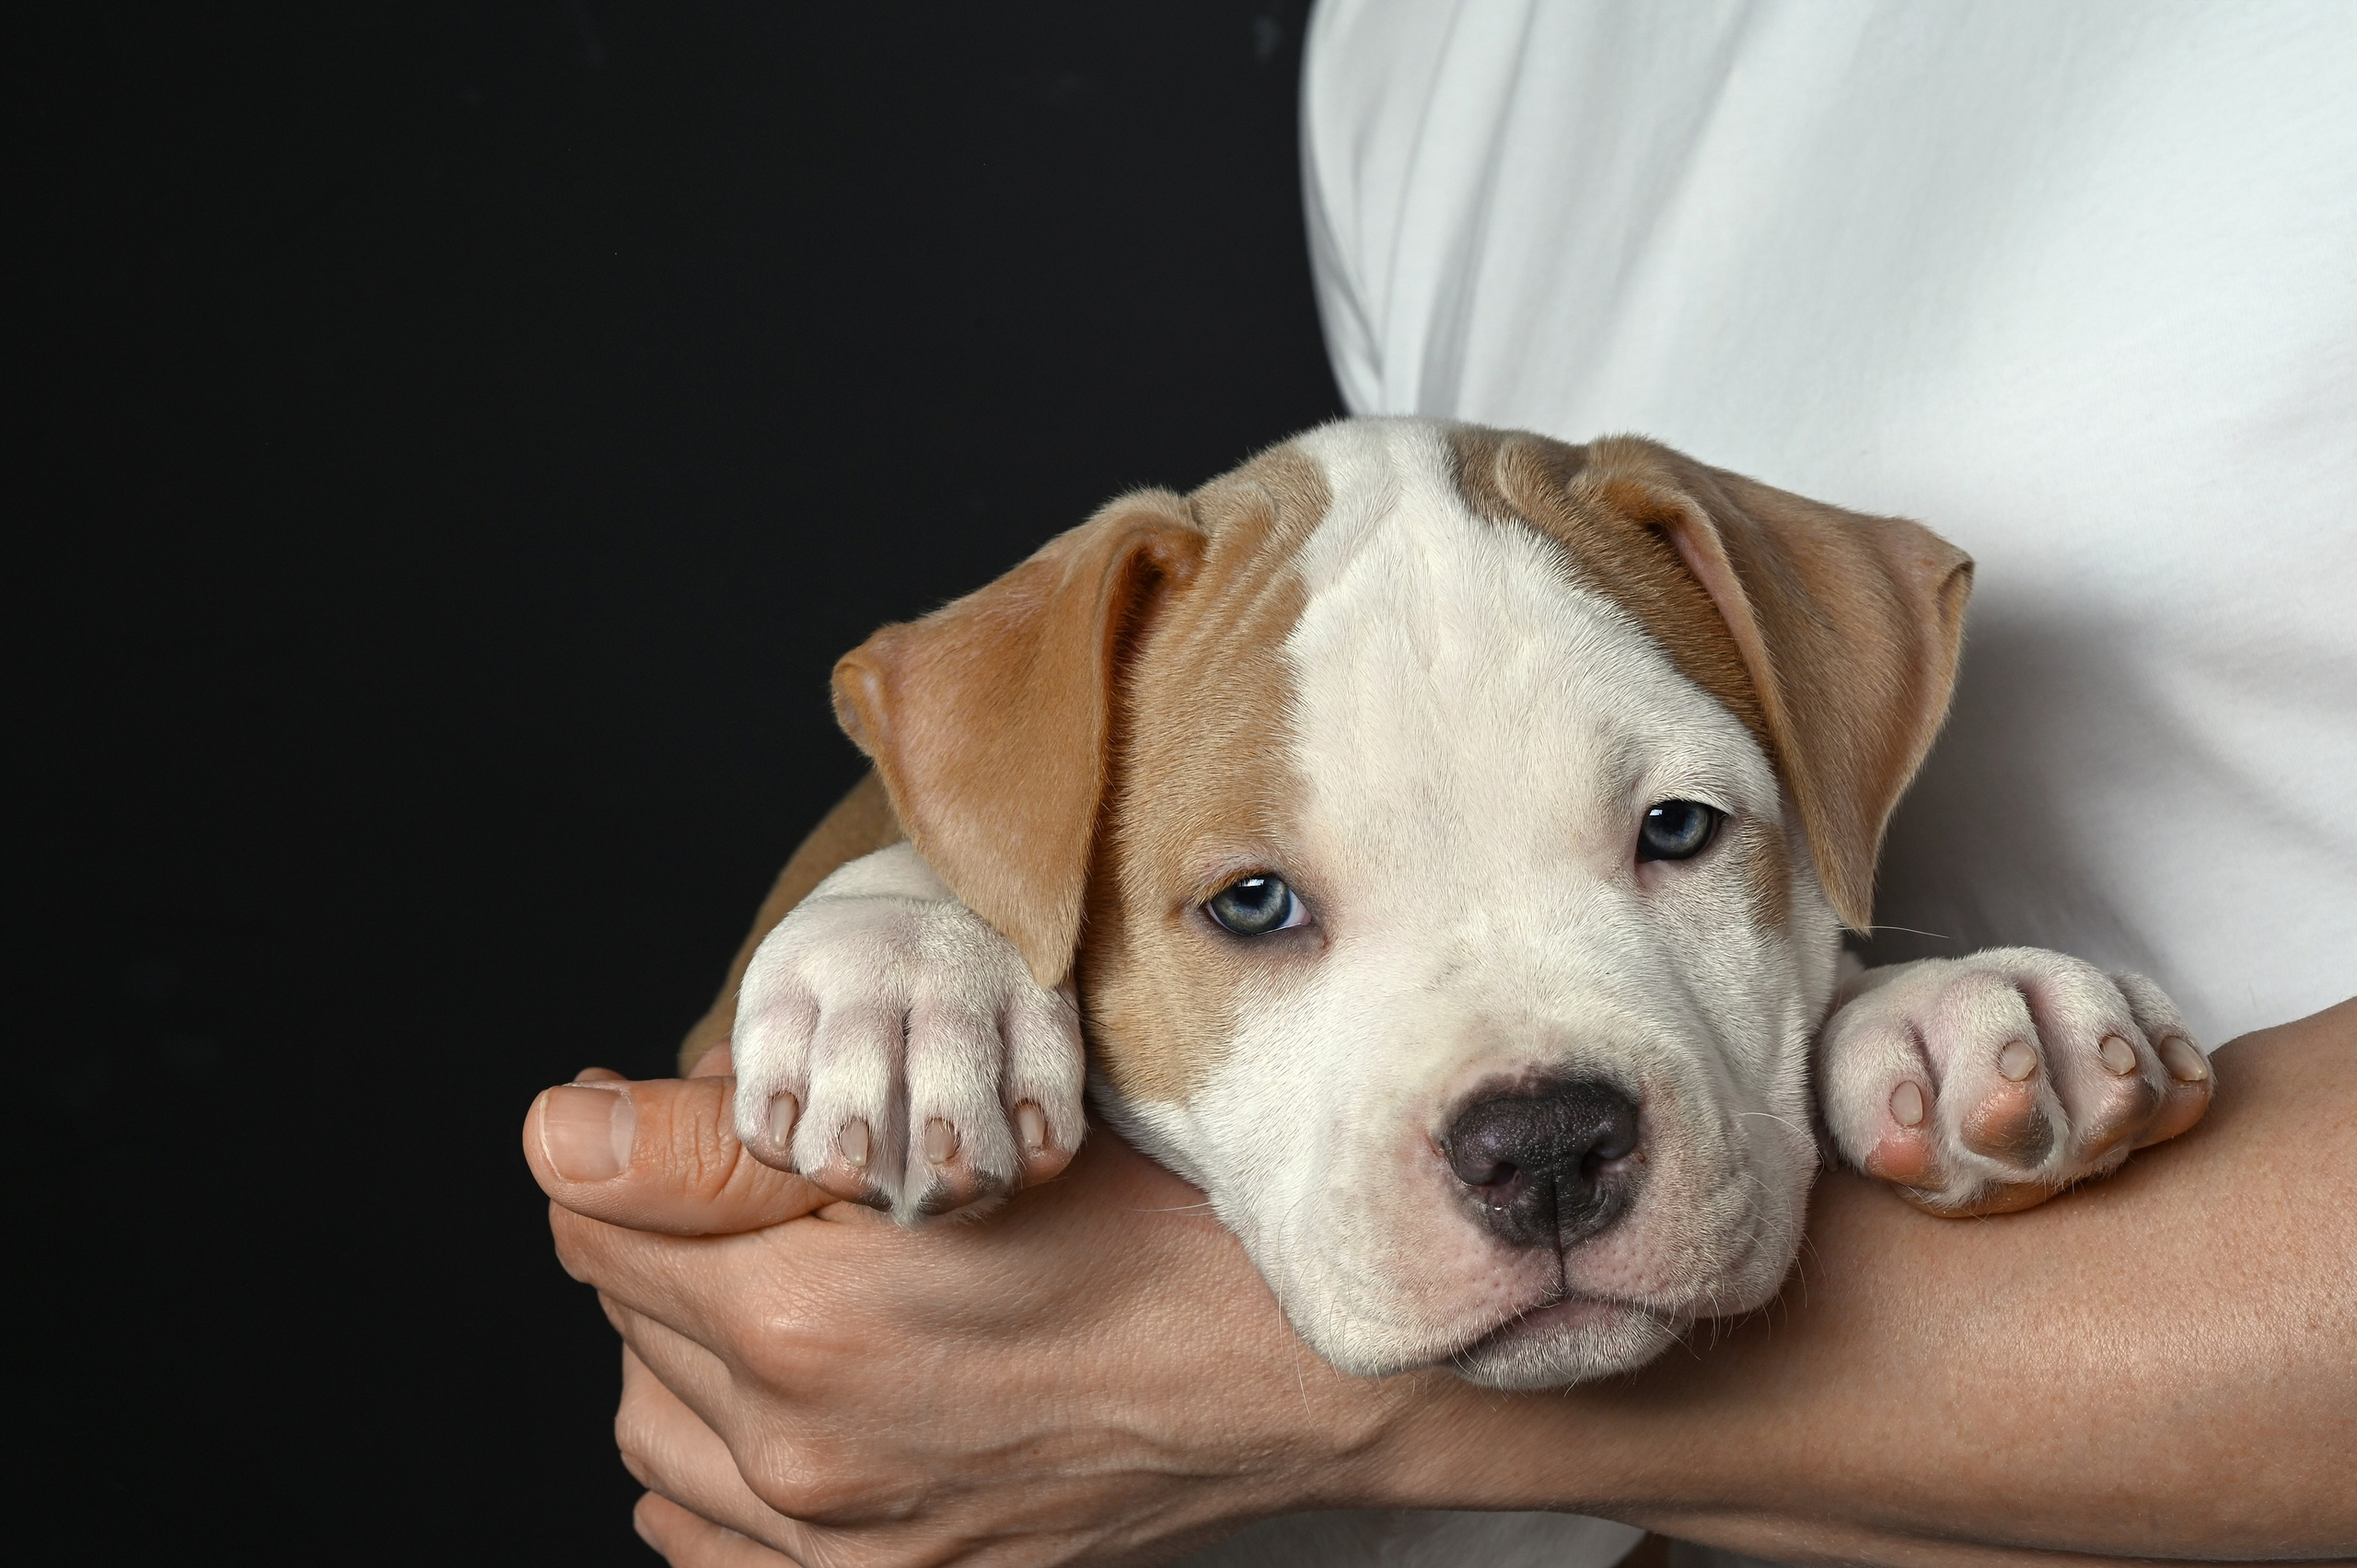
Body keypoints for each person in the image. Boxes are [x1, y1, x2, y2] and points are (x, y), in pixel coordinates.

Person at [530, 4, 2357, 1562]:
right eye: (1263, 903)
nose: (1536, 1121)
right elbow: (1407, 737)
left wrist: (1870, 1012)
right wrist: (903, 908)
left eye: (1671, 829)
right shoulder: (1415, 43)